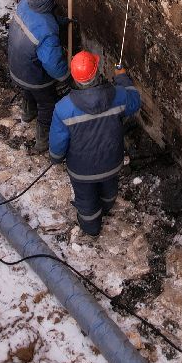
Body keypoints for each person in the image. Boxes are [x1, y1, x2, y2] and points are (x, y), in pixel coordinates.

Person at [49, 51, 141, 238]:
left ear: (74, 76)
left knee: (86, 200)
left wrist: (56, 158)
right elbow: (135, 101)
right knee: (109, 190)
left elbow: (58, 140)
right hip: (111, 163)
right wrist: (122, 77)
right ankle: (107, 206)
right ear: (96, 70)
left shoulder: (63, 108)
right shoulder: (118, 96)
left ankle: (91, 227)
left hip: (81, 170)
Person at [7, 0, 69, 152]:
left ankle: (27, 112)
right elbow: (53, 64)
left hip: (16, 65)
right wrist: (66, 76)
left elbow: (37, 23)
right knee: (47, 103)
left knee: (28, 90)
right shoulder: (48, 31)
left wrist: (60, 22)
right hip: (33, 76)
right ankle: (43, 140)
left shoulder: (24, 5)